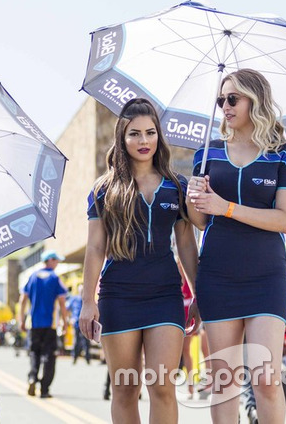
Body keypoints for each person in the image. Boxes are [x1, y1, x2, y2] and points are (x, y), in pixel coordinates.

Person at [187, 69, 286, 423]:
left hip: (266, 277)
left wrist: (227, 208)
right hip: (217, 275)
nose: (225, 106)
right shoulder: (208, 153)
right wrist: (194, 200)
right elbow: (201, 221)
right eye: (221, 100)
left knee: (266, 378)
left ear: (256, 99)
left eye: (232, 99)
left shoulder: (284, 154)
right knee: (225, 382)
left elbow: (284, 220)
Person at [79, 97, 199, 424]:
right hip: (118, 297)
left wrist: (198, 293)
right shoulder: (104, 190)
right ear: (122, 137)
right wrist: (88, 302)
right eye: (134, 134)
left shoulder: (177, 187)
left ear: (159, 136)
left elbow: (186, 245)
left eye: (149, 133)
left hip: (165, 296)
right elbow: (94, 249)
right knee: (125, 389)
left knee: (162, 387)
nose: (143, 141)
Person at [17, 250, 70, 399]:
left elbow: (22, 300)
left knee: (34, 352)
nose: (57, 263)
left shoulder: (32, 277)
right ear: (50, 260)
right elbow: (62, 302)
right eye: (56, 260)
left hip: (33, 323)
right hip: (50, 323)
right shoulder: (54, 278)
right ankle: (44, 389)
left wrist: (21, 319)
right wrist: (65, 323)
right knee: (49, 355)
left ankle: (32, 377)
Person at [66, 284, 90, 365]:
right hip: (76, 323)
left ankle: (87, 359)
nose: (81, 292)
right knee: (76, 341)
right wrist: (69, 319)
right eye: (80, 290)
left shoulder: (87, 299)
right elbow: (67, 308)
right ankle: (74, 358)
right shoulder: (74, 299)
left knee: (86, 342)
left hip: (86, 324)